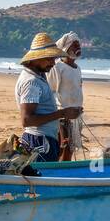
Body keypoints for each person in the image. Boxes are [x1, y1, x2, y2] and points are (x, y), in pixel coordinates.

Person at [16, 33, 81, 161]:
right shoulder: (32, 82)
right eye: (49, 59)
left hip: (44, 139)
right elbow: (27, 120)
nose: (53, 63)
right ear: (37, 58)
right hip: (39, 141)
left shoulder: (39, 75)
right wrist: (62, 113)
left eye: (54, 58)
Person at [47, 32, 85, 161]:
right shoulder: (57, 67)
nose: (77, 48)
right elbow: (50, 92)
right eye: (74, 45)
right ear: (66, 47)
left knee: (71, 149)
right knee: (62, 147)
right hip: (62, 116)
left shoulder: (77, 68)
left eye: (78, 45)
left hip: (76, 116)